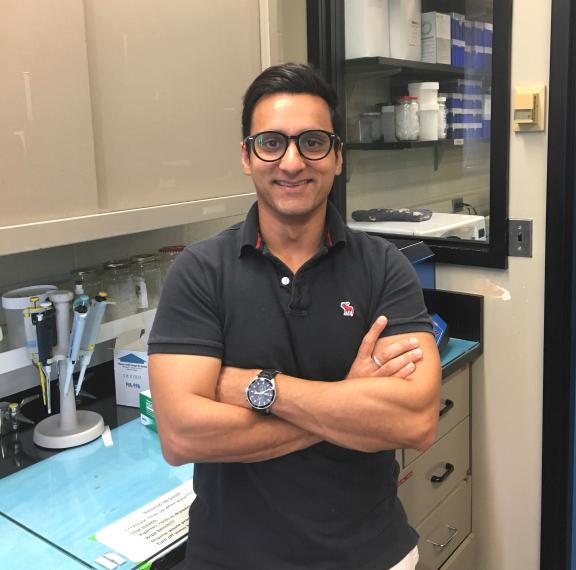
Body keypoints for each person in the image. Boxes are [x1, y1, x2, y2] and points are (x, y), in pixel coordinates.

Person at [148, 62, 441, 570]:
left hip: (372, 556)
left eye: (312, 142)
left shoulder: (383, 267)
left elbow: (414, 421)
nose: (291, 161)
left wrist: (256, 388)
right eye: (270, 142)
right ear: (246, 155)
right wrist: (349, 404)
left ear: (337, 157)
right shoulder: (199, 272)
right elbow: (182, 436)